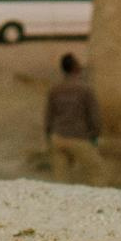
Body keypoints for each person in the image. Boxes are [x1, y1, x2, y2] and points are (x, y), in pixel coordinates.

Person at [45, 53, 103, 182]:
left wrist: (49, 137)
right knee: (97, 172)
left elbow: (49, 116)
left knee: (61, 179)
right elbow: (94, 116)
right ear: (76, 68)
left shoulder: (55, 89)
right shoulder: (85, 89)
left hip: (58, 137)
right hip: (78, 138)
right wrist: (94, 136)